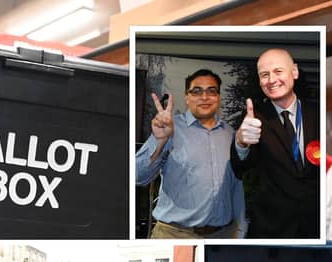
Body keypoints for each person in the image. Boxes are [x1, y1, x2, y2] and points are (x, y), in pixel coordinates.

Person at [136, 69, 244, 239]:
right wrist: (160, 142)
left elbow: (236, 186)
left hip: (223, 235)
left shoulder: (231, 134)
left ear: (218, 97)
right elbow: (137, 176)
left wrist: (240, 230)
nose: (204, 97)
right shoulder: (170, 128)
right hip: (174, 235)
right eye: (197, 91)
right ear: (187, 98)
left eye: (211, 91)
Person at [231, 48, 319, 238]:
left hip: (318, 229)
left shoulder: (319, 115)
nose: (271, 80)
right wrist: (241, 142)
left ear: (294, 71)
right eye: (264, 75)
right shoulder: (253, 119)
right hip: (271, 231)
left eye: (278, 71)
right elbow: (239, 167)